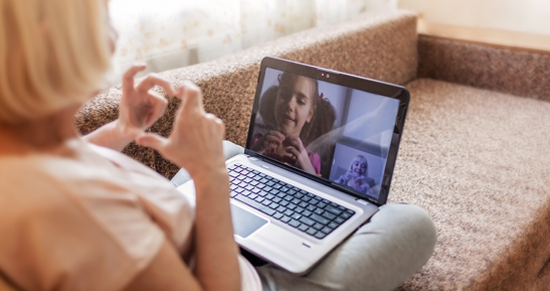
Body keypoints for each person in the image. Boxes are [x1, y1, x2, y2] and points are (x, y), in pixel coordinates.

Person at [0, 1, 437, 291]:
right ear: (50, 47)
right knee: (412, 223)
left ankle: (275, 219)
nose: (112, 39)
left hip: (188, 230)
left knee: (233, 151)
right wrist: (211, 178)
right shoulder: (84, 218)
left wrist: (123, 129)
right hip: (237, 276)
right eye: (98, 19)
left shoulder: (21, 149)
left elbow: (71, 157)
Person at [250, 73, 336, 176]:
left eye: (300, 101)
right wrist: (255, 151)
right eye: (285, 95)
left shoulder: (310, 159)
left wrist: (309, 172)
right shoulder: (259, 142)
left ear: (309, 114)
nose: (289, 105)